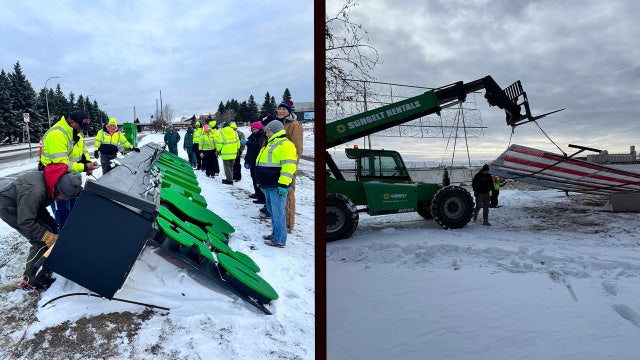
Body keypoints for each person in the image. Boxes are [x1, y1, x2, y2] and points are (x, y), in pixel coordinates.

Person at [0, 171, 83, 291]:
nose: (63, 199)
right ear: (57, 189)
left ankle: (48, 264)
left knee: (53, 227)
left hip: (29, 204)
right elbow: (26, 222)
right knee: (40, 239)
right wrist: (47, 237)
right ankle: (31, 281)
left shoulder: (58, 180)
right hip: (10, 207)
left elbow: (75, 189)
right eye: (63, 196)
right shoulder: (35, 191)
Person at [41, 110, 99, 227]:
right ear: (71, 122)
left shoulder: (76, 133)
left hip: (70, 178)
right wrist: (84, 167)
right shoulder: (56, 135)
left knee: (73, 210)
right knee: (63, 213)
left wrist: (87, 163)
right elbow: (61, 165)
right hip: (56, 181)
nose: (82, 129)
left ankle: (73, 232)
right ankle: (63, 238)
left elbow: (83, 151)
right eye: (81, 126)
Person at [255, 120, 298, 248]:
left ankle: (279, 239)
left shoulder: (286, 145)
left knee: (278, 212)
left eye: (268, 131)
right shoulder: (271, 143)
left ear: (274, 131)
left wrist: (283, 185)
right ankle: (275, 234)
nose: (266, 134)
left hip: (277, 185)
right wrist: (260, 181)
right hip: (268, 185)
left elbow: (288, 167)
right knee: (272, 211)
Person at [278, 99, 303, 232]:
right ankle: (280, 222)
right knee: (279, 195)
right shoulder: (278, 124)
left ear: (289, 111)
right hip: (277, 165)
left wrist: (291, 166)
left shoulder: (294, 125)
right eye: (279, 108)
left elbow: (297, 148)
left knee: (288, 194)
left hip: (288, 166)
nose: (281, 111)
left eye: (284, 109)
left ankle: (288, 224)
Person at [243, 120, 267, 204]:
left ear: (259, 129)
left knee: (259, 181)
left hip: (259, 162)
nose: (254, 131)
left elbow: (257, 145)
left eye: (256, 129)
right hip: (252, 161)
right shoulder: (251, 137)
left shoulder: (262, 136)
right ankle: (257, 193)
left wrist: (248, 143)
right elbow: (249, 152)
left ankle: (262, 198)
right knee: (254, 178)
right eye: (253, 129)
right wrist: (246, 161)